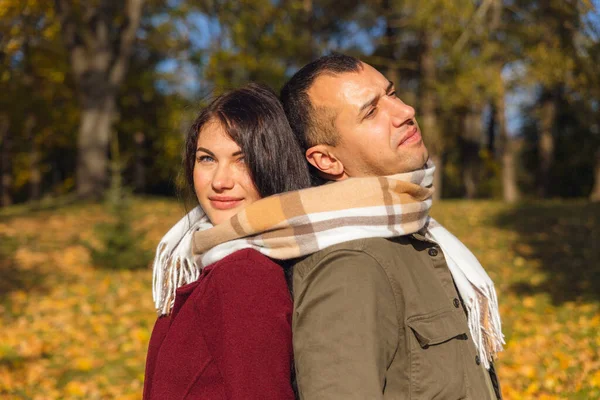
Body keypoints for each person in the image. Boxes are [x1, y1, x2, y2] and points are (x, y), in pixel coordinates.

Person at [278, 53, 505, 399]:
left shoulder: (417, 231)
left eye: (393, 94)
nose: (405, 111)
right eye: (371, 112)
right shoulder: (349, 266)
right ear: (327, 160)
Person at [143, 83, 310, 399]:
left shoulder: (245, 272)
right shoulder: (213, 258)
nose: (220, 181)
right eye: (207, 159)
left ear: (274, 165)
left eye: (242, 159)